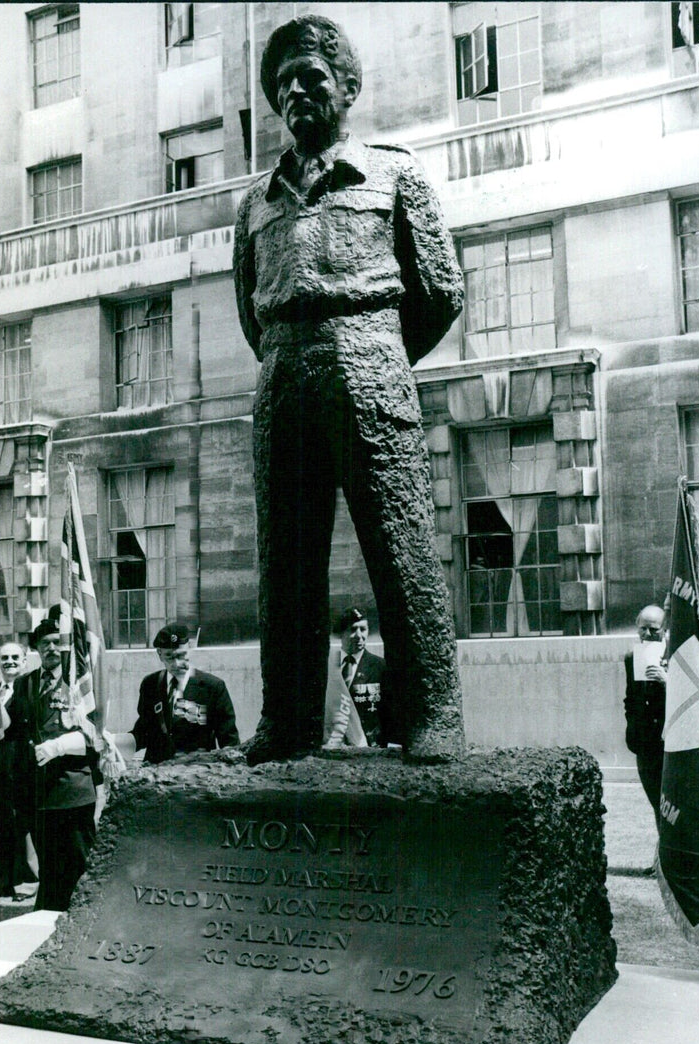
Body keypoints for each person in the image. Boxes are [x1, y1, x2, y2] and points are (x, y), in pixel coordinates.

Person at [233, 14, 464, 764]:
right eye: (282, 83)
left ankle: (433, 715)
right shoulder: (254, 205)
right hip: (283, 378)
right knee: (286, 565)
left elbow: (440, 291)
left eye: (311, 76)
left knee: (401, 552)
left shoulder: (395, 175)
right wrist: (294, 359)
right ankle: (288, 720)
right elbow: (250, 313)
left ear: (347, 88)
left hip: (372, 367)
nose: (295, 89)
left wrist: (379, 351)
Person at [5, 611, 100, 911]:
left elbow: (94, 736)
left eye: (56, 642)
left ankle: (88, 915)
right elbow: (13, 733)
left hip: (71, 790)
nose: (50, 648)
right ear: (35, 648)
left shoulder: (81, 685)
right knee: (49, 866)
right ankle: (50, 917)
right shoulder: (25, 684)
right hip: (38, 794)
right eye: (43, 643)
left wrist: (58, 746)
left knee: (80, 862)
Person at [110, 623, 239, 764]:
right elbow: (143, 732)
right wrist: (112, 742)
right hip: (156, 774)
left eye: (181, 655)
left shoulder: (213, 687)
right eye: (169, 657)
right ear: (159, 654)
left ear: (190, 648)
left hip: (196, 775)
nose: (177, 664)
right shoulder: (150, 684)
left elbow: (229, 741)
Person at [0, 640, 37, 901]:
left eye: (15, 657)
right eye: (4, 658)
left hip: (22, 765)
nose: (10, 662)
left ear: (25, 660)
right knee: (0, 824)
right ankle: (2, 881)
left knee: (22, 826)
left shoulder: (30, 687)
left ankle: (26, 882)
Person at [623, 604, 667, 829]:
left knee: (673, 805)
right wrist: (633, 726)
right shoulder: (632, 657)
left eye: (654, 630)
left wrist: (667, 681)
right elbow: (630, 699)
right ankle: (661, 859)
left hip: (672, 744)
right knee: (656, 804)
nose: (648, 635)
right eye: (643, 629)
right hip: (645, 743)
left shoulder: (678, 654)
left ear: (665, 628)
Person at [334, 607, 389, 748]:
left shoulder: (380, 667)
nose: (359, 635)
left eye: (363, 629)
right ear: (341, 633)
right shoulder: (329, 667)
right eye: (353, 629)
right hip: (334, 747)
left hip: (369, 747)